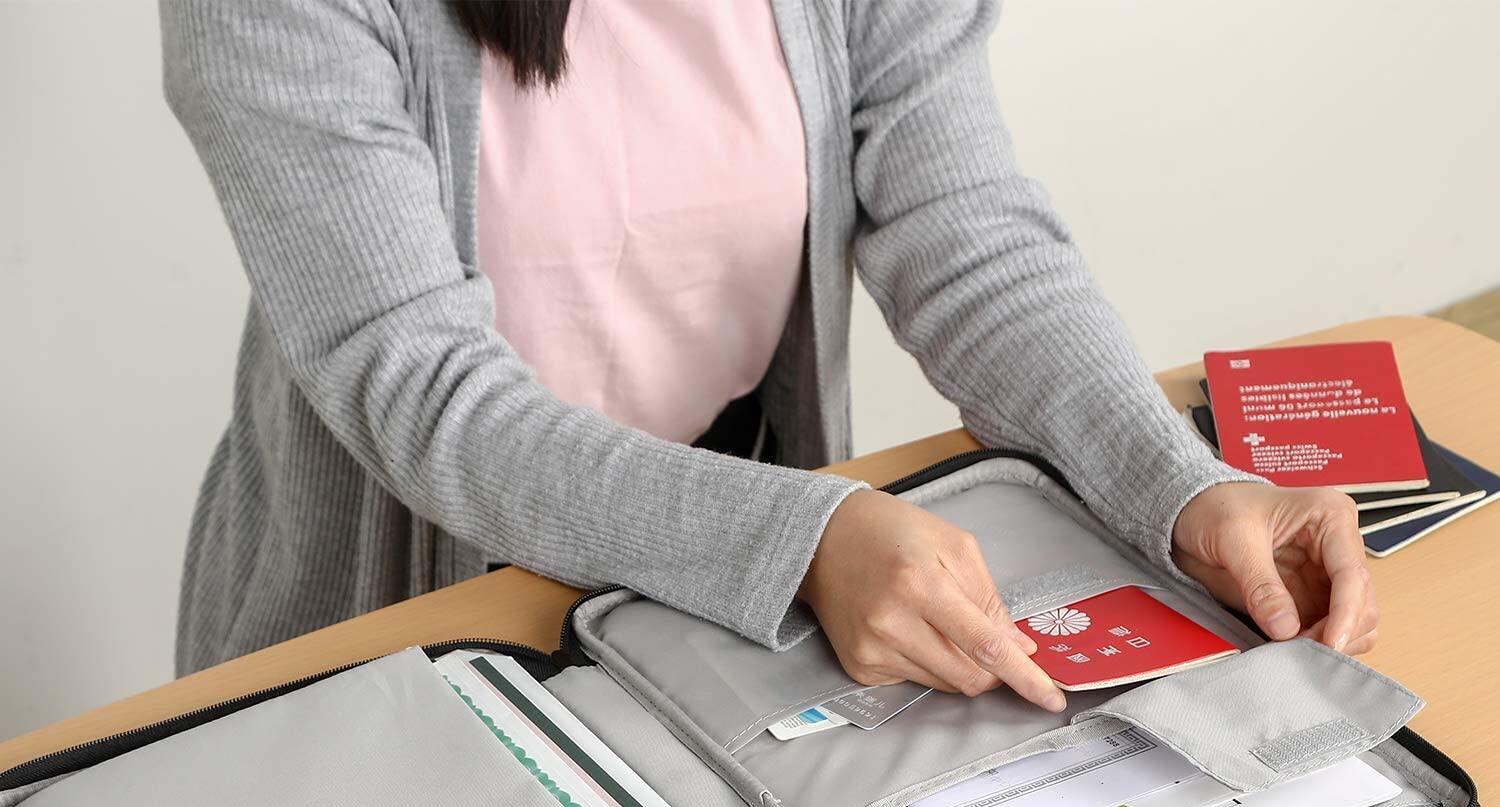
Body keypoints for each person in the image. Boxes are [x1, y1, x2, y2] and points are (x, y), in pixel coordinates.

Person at [161, 0, 1376, 707]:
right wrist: (805, 540)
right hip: (414, 609)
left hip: (732, 576)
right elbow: (420, 390)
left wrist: (1178, 489)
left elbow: (965, 238)